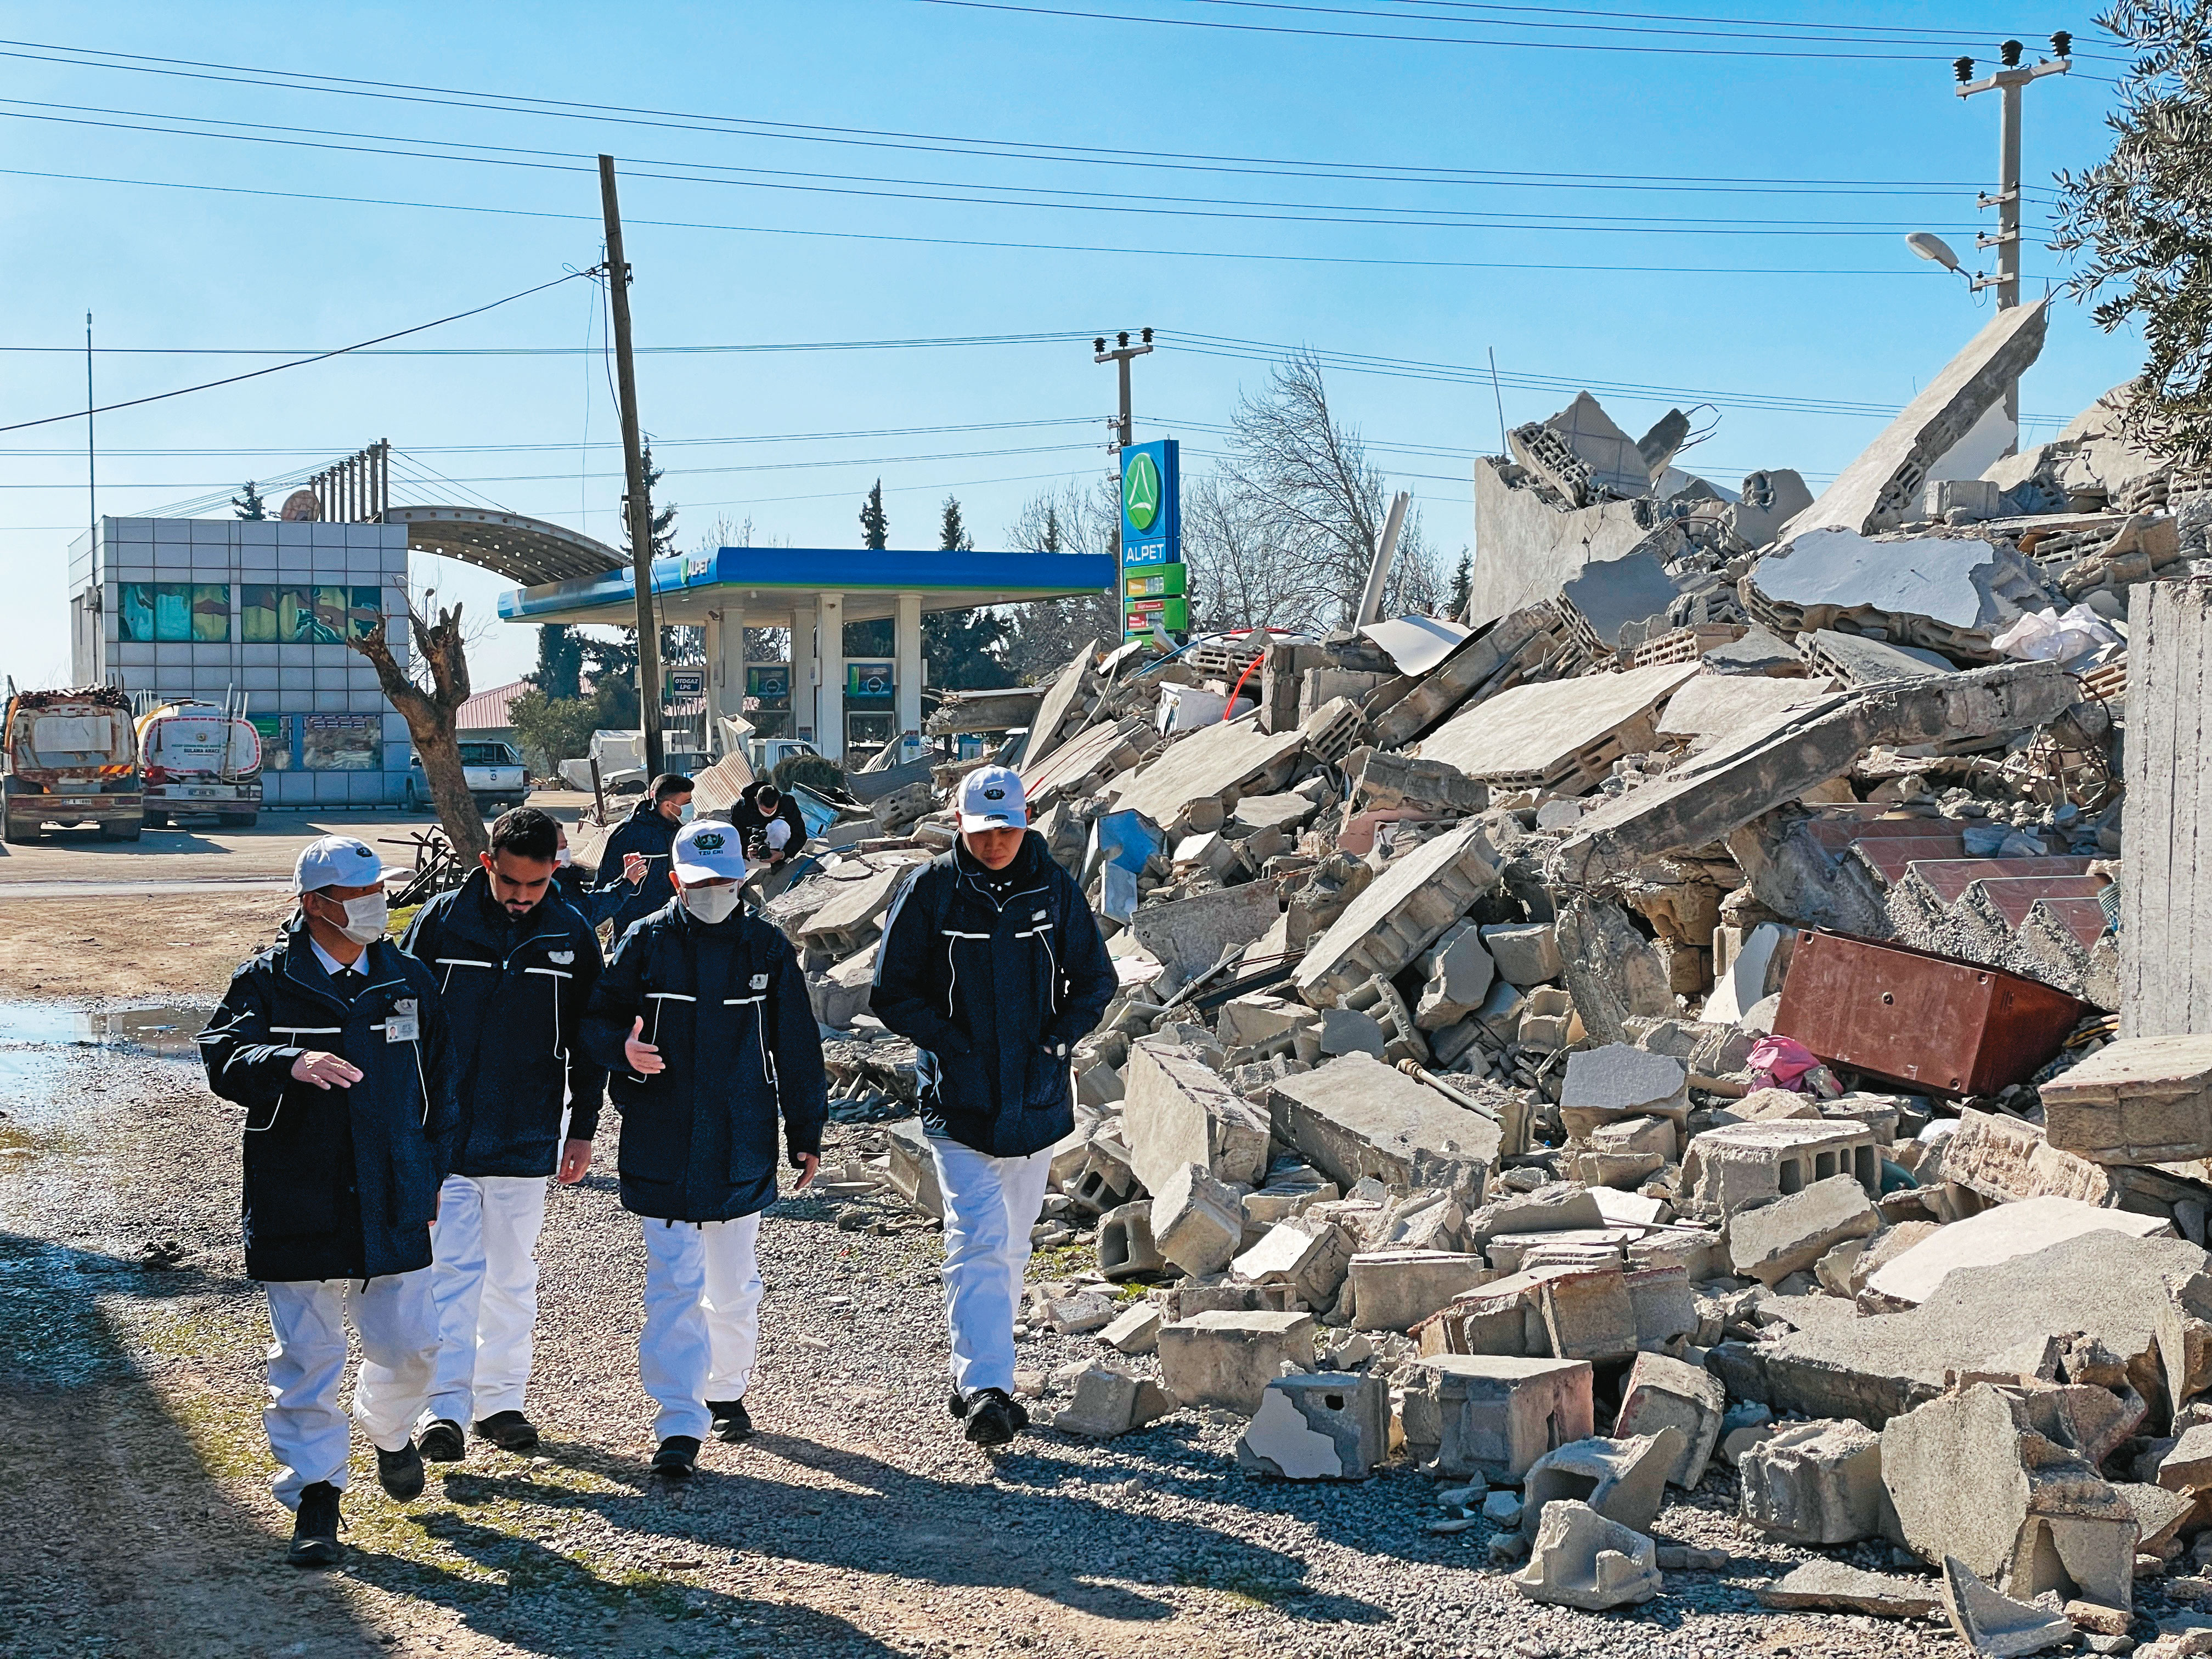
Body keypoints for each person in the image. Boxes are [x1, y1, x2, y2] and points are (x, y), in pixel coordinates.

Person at [199, 836, 459, 1567]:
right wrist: (289, 1060)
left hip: (393, 1188)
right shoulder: (267, 981)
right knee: (307, 1356)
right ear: (315, 904)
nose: (379, 903)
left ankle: (390, 1429)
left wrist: (430, 1174)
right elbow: (221, 1054)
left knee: (412, 1347)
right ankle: (316, 1495)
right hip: (298, 1192)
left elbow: (444, 1086)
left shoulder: (406, 978)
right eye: (360, 894)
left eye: (380, 889)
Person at [870, 765, 1115, 1447]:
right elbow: (892, 992)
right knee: (976, 1236)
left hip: (1035, 1098)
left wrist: (1057, 1040)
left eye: (1006, 830)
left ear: (1025, 822)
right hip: (960, 1100)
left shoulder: (1052, 888)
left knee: (1011, 1243)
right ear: (960, 824)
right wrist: (952, 1046)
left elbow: (1096, 978)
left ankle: (979, 1372)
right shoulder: (931, 890)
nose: (995, 843)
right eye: (982, 831)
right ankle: (988, 1387)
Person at [579, 819, 827, 1477]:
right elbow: (596, 1021)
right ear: (675, 882)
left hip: (741, 1140)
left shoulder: (767, 949)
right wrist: (622, 1051)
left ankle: (726, 1389)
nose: (714, 892)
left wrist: (807, 1133)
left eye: (725, 880)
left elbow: (797, 1046)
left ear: (743, 878)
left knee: (734, 1284)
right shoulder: (644, 942)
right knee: (673, 1288)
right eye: (700, 883)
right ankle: (678, 1422)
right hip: (661, 1137)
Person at [398, 807, 606, 1462]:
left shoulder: (572, 933)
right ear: (487, 863)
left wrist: (583, 1128)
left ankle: (501, 1403)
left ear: (555, 871)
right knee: (450, 1274)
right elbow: (403, 1026)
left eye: (536, 885)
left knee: (514, 1276)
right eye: (510, 882)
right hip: (447, 1136)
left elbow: (591, 1039)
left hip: (527, 1133)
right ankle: (443, 1411)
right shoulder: (440, 923)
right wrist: (408, 1126)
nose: (521, 897)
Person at [589, 772, 693, 939]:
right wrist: (606, 915)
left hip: (674, 921)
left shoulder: (685, 831)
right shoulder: (630, 833)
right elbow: (605, 877)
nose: (691, 807)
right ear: (668, 805)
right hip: (634, 926)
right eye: (687, 802)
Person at [730, 780, 810, 909]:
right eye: (765, 811)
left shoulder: (787, 803)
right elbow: (735, 839)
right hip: (751, 857)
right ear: (756, 800)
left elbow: (800, 835)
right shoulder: (741, 808)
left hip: (779, 851)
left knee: (780, 826)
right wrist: (746, 850)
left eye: (772, 811)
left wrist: (783, 854)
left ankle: (778, 865)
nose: (768, 814)